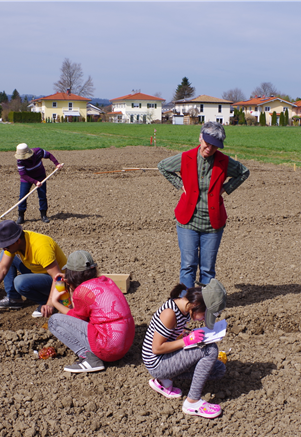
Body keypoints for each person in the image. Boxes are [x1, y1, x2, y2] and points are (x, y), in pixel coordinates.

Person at [158, 121, 249, 289]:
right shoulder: (186, 157)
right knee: (188, 266)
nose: (210, 148)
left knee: (207, 269)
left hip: (213, 223)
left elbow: (244, 172)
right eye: (208, 143)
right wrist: (179, 184)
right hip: (187, 221)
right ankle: (186, 306)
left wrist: (226, 188)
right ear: (200, 138)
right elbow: (162, 166)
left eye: (215, 146)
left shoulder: (224, 161)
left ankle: (205, 307)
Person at [142, 278, 227, 419]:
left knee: (218, 369)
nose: (203, 320)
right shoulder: (169, 313)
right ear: (195, 304)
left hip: (168, 356)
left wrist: (184, 336)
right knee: (210, 350)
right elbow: (156, 348)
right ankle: (192, 402)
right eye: (205, 314)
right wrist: (186, 341)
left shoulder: (185, 309)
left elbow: (171, 335)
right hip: (157, 363)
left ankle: (165, 379)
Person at [48, 250, 135, 373]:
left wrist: (55, 302)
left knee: (54, 321)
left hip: (109, 349)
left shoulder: (82, 291)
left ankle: (89, 358)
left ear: (71, 274)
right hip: (124, 346)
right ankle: (95, 355)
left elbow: (75, 319)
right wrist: (73, 288)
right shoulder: (106, 281)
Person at [0, 220, 67, 317]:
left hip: (60, 282)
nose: (4, 248)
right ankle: (13, 298)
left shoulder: (41, 247)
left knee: (20, 282)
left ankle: (50, 302)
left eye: (6, 246)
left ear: (17, 241)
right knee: (5, 256)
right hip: (39, 271)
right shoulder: (17, 243)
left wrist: (50, 304)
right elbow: (2, 268)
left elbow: (58, 278)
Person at [15, 143, 64, 224]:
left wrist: (57, 164)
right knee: (22, 197)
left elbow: (49, 155)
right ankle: (21, 216)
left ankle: (43, 215)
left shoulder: (38, 152)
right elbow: (23, 175)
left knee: (42, 195)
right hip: (27, 179)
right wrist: (35, 182)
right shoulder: (20, 161)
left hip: (40, 176)